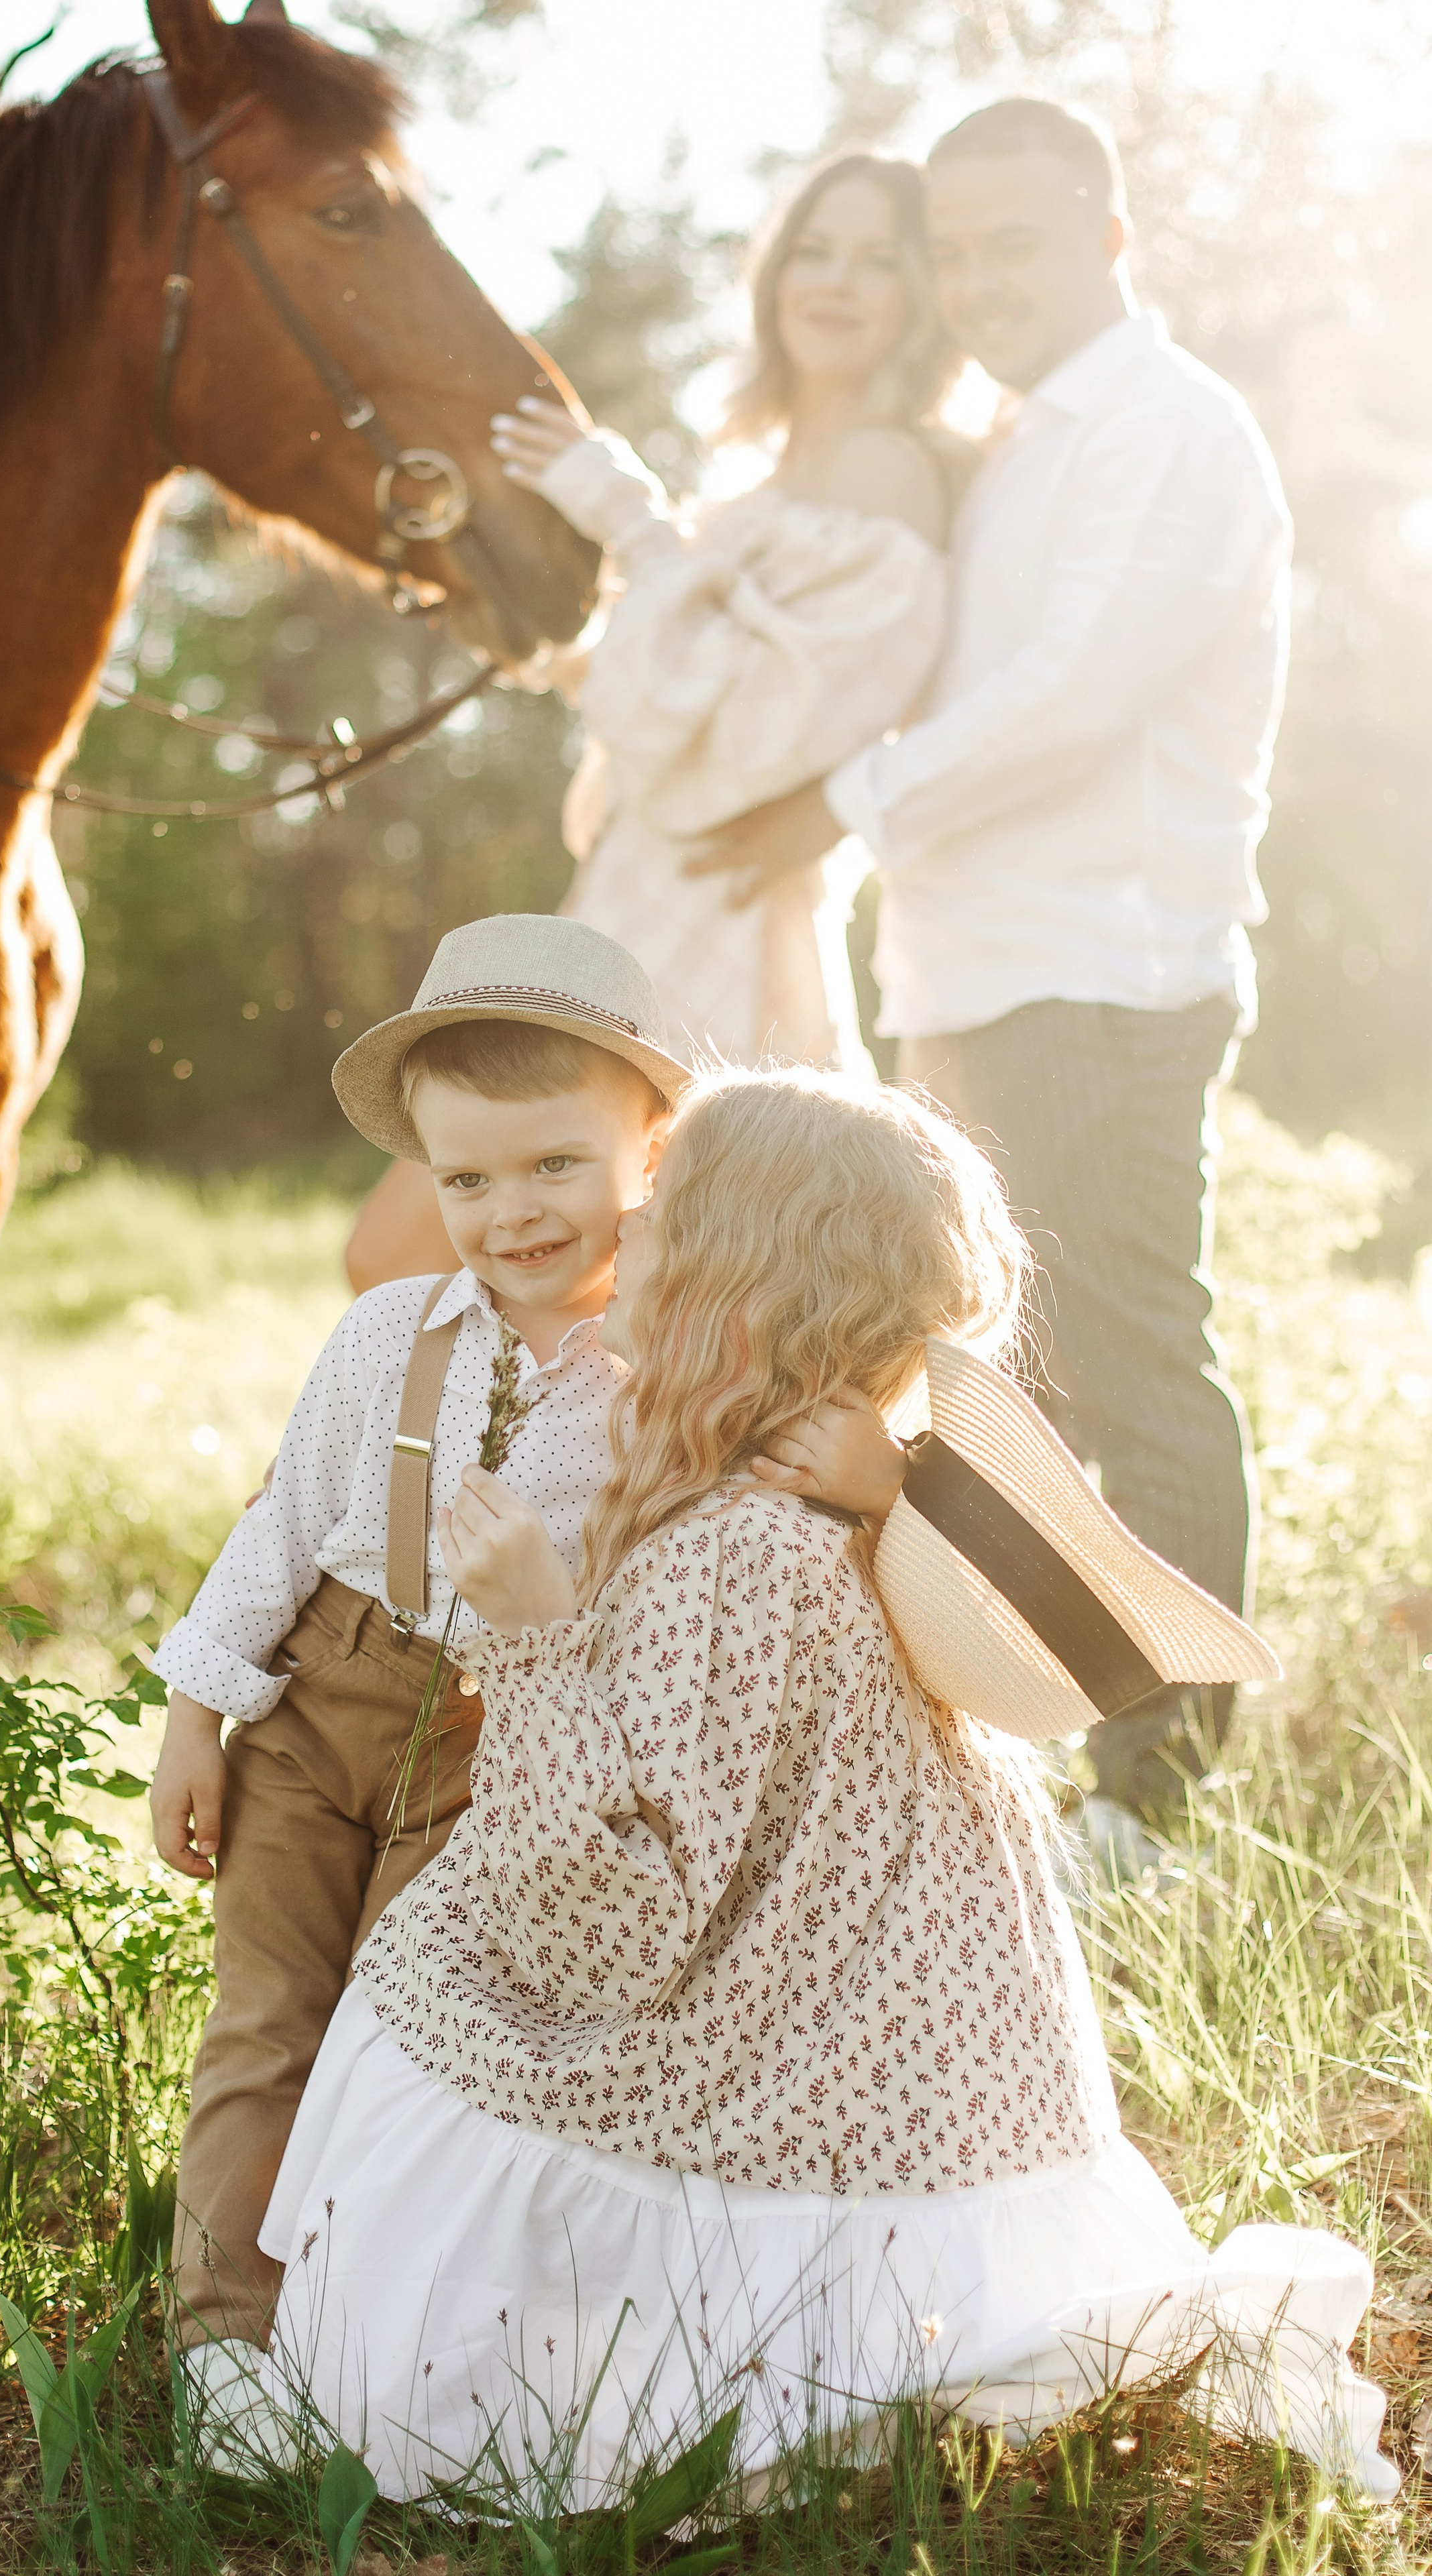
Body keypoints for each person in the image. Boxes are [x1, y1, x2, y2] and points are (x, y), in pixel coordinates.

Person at [252, 1067, 1392, 2505]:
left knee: (438, 1987)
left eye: (658, 1220)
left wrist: (533, 1631)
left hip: (775, 2036)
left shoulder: (740, 1550)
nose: (622, 1235)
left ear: (731, 1284)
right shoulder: (818, 1492)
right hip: (885, 2027)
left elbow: (614, 1920)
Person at [146, 914, 891, 2465]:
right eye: (464, 1179)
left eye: (552, 1165)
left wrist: (883, 1475)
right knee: (269, 2016)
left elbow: (792, 1519)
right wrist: (195, 1721)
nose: (508, 1212)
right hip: (318, 1702)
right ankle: (222, 2341)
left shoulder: (687, 1375)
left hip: (507, 1741)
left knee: (407, 2040)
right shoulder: (379, 1337)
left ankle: (354, 2322)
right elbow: (277, 1529)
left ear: (651, 1146)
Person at [683, 100, 1292, 1825]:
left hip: (1100, 976)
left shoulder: (1165, 431)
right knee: (991, 1389)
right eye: (953, 250)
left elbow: (1071, 698)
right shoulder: (1015, 439)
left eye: (1009, 243)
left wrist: (837, 806)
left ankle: (1155, 1810)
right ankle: (1031, 1775)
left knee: (1126, 1369)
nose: (974, 280)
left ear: (1108, 239)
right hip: (966, 978)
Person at [344, 151, 961, 1295]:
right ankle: (476, 1477)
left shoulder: (893, 473)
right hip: (636, 895)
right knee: (502, 1275)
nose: (837, 281)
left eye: (881, 258)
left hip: (714, 910)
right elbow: (679, 692)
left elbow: (744, 744)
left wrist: (625, 513)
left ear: (927, 291)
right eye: (815, 251)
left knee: (520, 1270)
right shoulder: (772, 475)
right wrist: (556, 652)